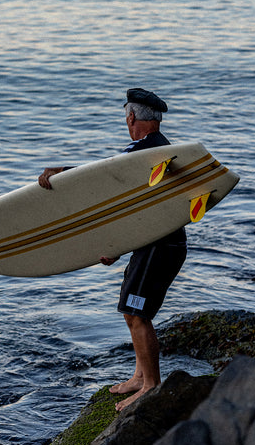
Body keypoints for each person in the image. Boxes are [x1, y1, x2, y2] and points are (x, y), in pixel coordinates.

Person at [38, 88, 187, 411]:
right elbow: (135, 207)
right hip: (151, 245)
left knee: (136, 313)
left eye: (126, 116)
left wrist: (61, 173)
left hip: (159, 247)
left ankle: (150, 386)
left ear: (131, 117)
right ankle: (140, 376)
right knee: (131, 311)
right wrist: (117, 247)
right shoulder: (158, 149)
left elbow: (106, 179)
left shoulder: (146, 152)